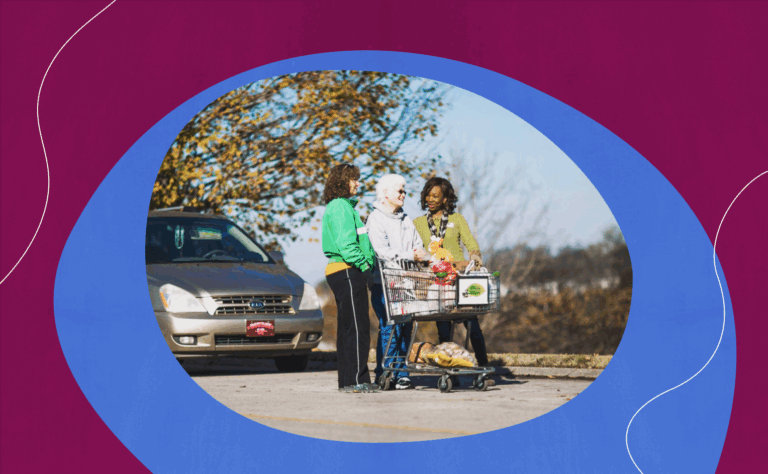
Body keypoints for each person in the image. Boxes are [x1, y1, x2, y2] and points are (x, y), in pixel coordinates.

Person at [413, 176, 489, 368]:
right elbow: (414, 249)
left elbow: (471, 243)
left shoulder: (457, 219)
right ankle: (450, 370)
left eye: (435, 196)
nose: (430, 199)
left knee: (472, 325)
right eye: (427, 195)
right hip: (436, 281)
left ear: (445, 199)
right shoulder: (418, 223)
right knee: (444, 329)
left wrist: (474, 259)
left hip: (459, 279)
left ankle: (484, 367)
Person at [366, 174, 429, 390]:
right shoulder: (375, 219)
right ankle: (385, 372)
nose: (404, 194)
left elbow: (418, 245)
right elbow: (381, 251)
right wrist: (411, 255)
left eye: (404, 191)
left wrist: (422, 254)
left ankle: (402, 373)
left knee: (405, 328)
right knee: (389, 327)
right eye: (399, 191)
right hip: (383, 283)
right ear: (386, 193)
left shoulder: (406, 220)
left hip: (406, 283)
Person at [321, 163, 379, 393]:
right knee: (357, 327)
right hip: (347, 269)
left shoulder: (342, 207)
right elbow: (347, 244)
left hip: (342, 270)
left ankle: (347, 381)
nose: (358, 183)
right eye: (354, 179)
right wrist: (365, 267)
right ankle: (358, 380)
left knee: (348, 327)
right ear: (342, 182)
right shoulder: (341, 207)